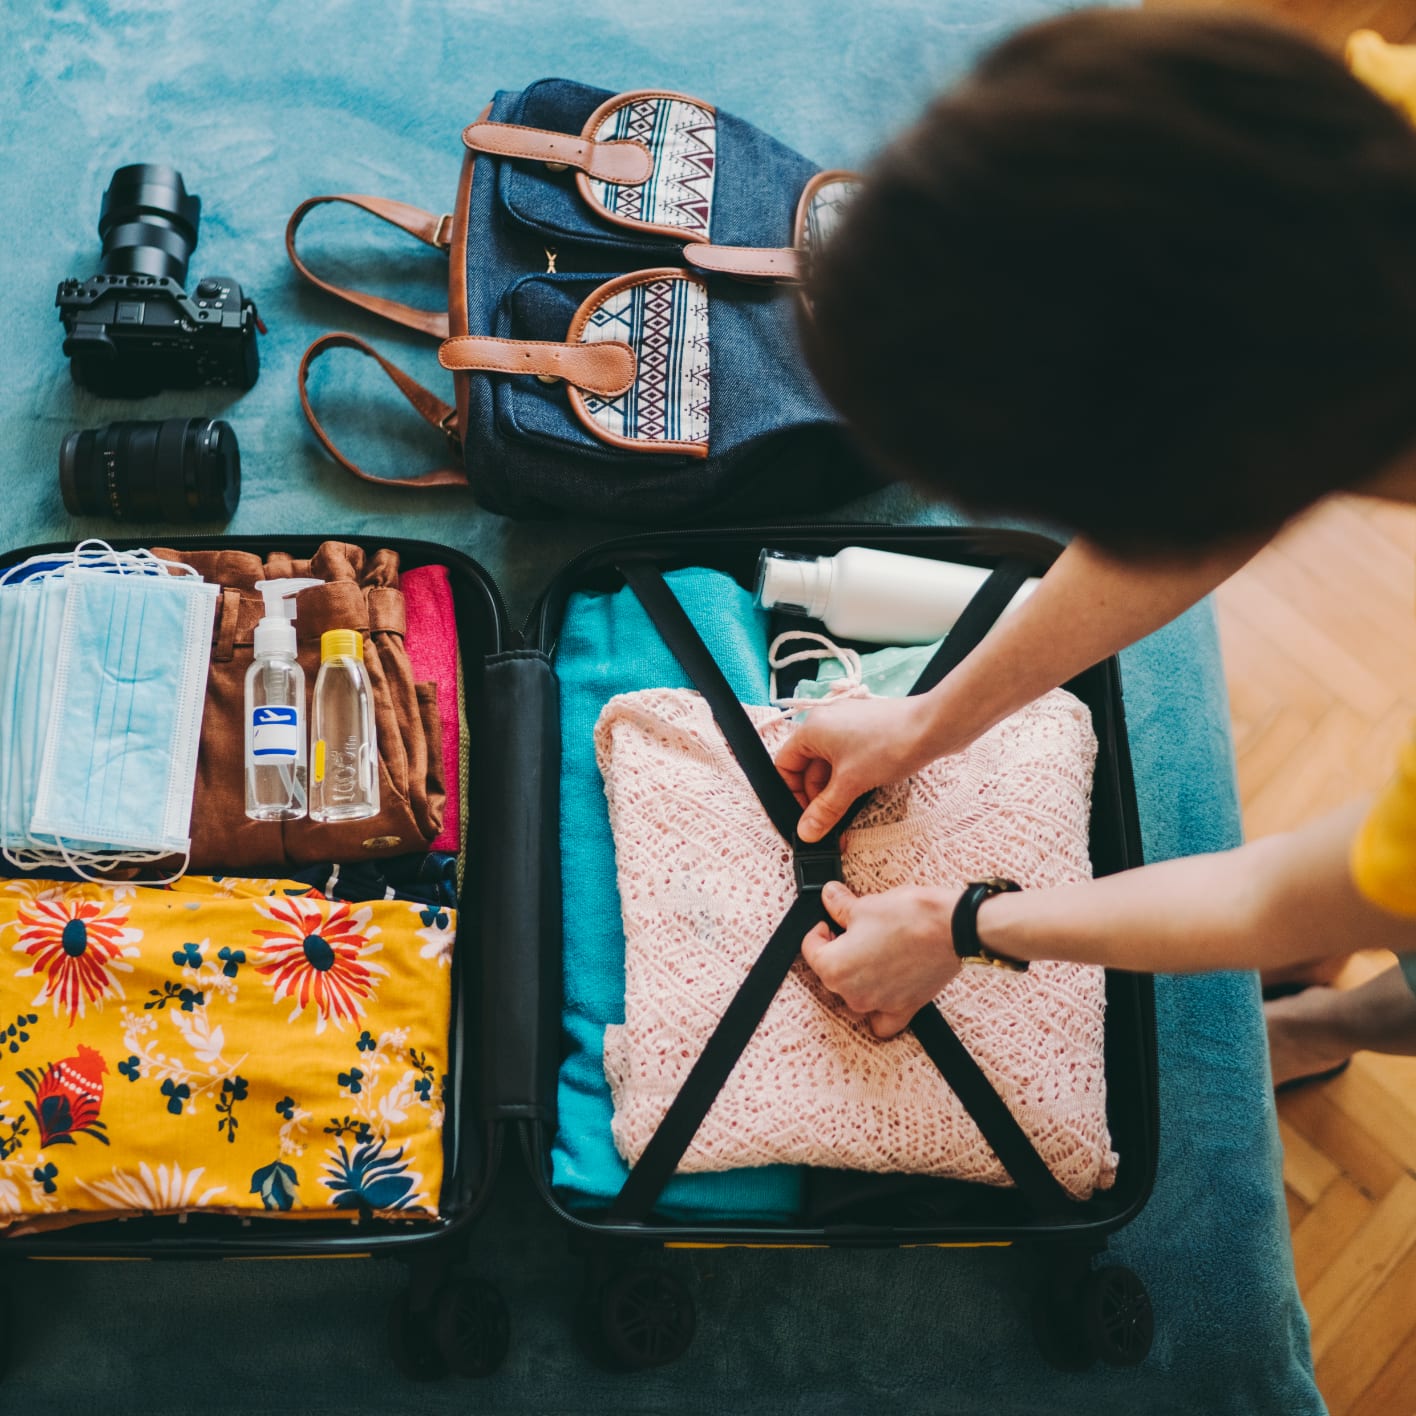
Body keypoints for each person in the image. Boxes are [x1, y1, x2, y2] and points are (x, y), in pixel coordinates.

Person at [779, 9, 1416, 1085]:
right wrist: (931, 721)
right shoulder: (1346, 139)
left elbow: (1285, 892)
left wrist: (965, 925)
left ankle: (1329, 1028)